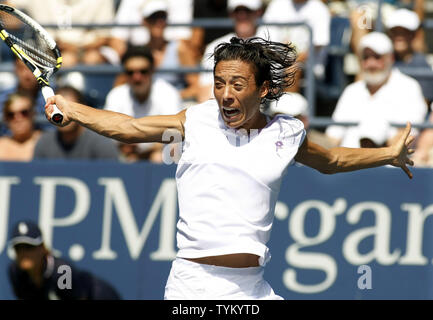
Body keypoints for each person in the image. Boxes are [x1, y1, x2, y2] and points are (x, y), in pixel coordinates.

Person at [44, 36, 415, 299]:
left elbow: (333, 161)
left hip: (253, 287)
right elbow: (128, 127)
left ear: (264, 89)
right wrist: (73, 110)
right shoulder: (196, 120)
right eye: (219, 83)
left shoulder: (287, 133)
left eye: (237, 84)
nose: (225, 93)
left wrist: (390, 154)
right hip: (196, 286)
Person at [325, 32, 427, 148]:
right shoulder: (352, 91)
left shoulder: (409, 87)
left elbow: (407, 136)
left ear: (391, 58)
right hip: (346, 163)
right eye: (366, 57)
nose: (371, 63)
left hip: (388, 164)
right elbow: (333, 137)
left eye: (377, 57)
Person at [104, 45, 182, 163]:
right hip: (121, 154)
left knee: (161, 156)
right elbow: (106, 132)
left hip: (156, 154)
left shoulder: (168, 93)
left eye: (143, 71)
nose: (137, 77)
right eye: (130, 72)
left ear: (152, 71)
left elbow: (174, 134)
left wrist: (141, 148)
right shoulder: (116, 95)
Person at [8, 220, 121, 300]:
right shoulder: (15, 273)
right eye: (18, 248)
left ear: (43, 248)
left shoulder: (62, 272)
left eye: (29, 247)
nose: (24, 253)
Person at [6, 0, 116, 67]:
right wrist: (14, 19)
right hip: (46, 55)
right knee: (67, 60)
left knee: (91, 58)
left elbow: (104, 37)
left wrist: (74, 49)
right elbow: (8, 9)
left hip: (87, 54)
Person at [197, 0, 266, 102]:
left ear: (258, 12)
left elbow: (276, 87)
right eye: (237, 12)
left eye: (248, 11)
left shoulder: (271, 42)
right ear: (231, 14)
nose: (242, 16)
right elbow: (205, 89)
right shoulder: (214, 46)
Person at [33, 86, 119, 160]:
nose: (63, 114)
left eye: (68, 109)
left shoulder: (101, 143)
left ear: (81, 109)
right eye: (57, 108)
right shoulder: (44, 143)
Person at [141, 0, 200, 101]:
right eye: (154, 17)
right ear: (144, 22)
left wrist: (171, 98)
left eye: (163, 17)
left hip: (175, 108)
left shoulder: (179, 48)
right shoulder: (138, 52)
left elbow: (196, 87)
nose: (159, 22)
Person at [385, 8, 433, 103]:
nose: (399, 36)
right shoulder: (382, 59)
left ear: (413, 35)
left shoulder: (421, 64)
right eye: (395, 32)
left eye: (404, 32)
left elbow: (424, 103)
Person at [0, 93, 41, 161]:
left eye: (24, 113)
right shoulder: (1, 146)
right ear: (6, 118)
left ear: (33, 114)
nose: (18, 118)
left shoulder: (47, 142)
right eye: (11, 114)